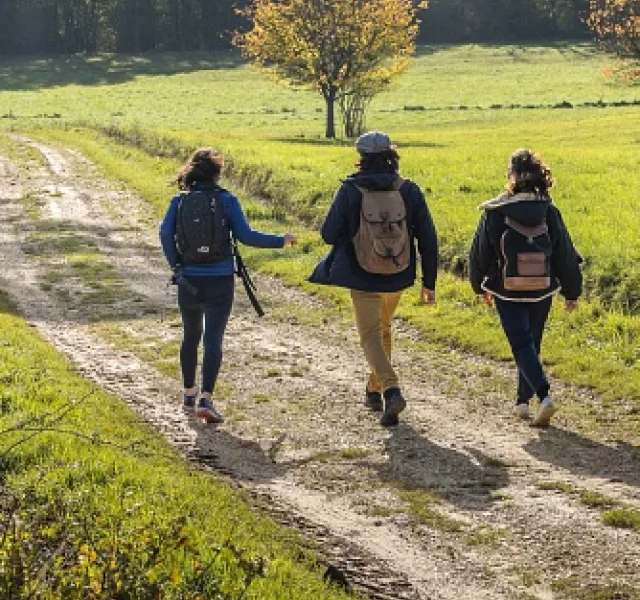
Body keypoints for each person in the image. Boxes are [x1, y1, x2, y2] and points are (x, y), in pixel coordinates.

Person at [160, 147, 296, 424]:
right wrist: (280, 240)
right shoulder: (227, 201)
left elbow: (164, 234)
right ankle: (206, 399)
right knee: (213, 339)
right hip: (220, 279)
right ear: (217, 174)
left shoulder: (179, 202)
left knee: (190, 334)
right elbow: (247, 236)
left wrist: (177, 266)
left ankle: (188, 392)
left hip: (188, 279)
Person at [310, 131, 438, 428]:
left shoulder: (351, 189)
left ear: (362, 158)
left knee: (370, 335)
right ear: (392, 155)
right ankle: (374, 387)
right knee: (383, 329)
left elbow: (328, 233)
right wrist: (428, 281)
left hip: (362, 273)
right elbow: (428, 237)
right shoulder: (409, 190)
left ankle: (391, 389)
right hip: (399, 273)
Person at [469, 148, 582, 427]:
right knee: (532, 342)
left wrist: (478, 284)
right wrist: (572, 291)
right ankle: (522, 402)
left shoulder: (496, 211)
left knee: (520, 342)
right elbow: (565, 254)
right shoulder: (549, 211)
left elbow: (479, 252)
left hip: (506, 289)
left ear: (513, 176)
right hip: (542, 288)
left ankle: (543, 396)